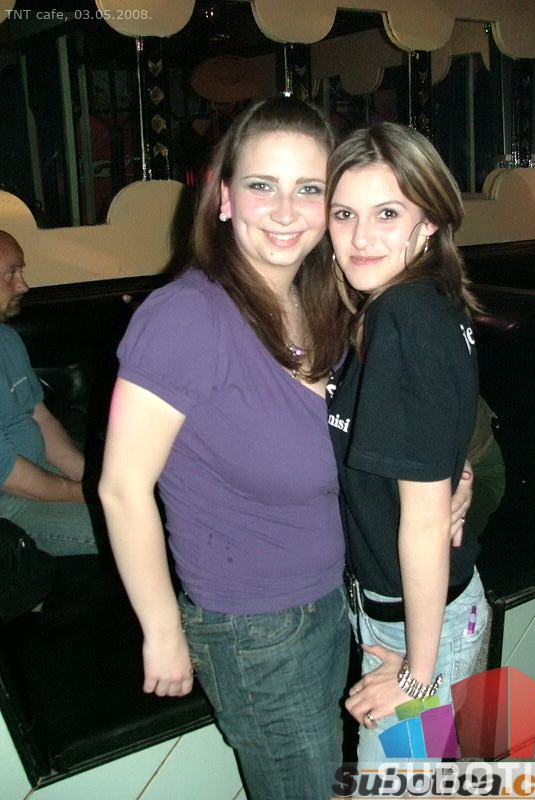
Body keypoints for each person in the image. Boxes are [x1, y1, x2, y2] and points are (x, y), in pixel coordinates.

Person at [98, 97, 351, 800]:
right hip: (254, 630)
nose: (286, 210)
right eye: (263, 184)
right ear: (225, 198)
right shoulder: (187, 316)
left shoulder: (320, 302)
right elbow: (121, 488)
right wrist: (161, 631)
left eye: (309, 188)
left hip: (328, 600)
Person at [325, 122, 489, 766]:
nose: (361, 237)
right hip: (425, 611)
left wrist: (418, 676)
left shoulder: (401, 316)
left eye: (387, 213)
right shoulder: (420, 302)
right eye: (345, 214)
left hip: (419, 626)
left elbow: (422, 520)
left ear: (429, 223)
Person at [0, 230, 98, 556]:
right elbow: (7, 473)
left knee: (152, 506)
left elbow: (41, 419)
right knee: (127, 530)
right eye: (11, 274)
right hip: (7, 502)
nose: (23, 286)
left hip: (36, 475)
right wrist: (82, 493)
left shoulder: (7, 339)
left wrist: (92, 478)